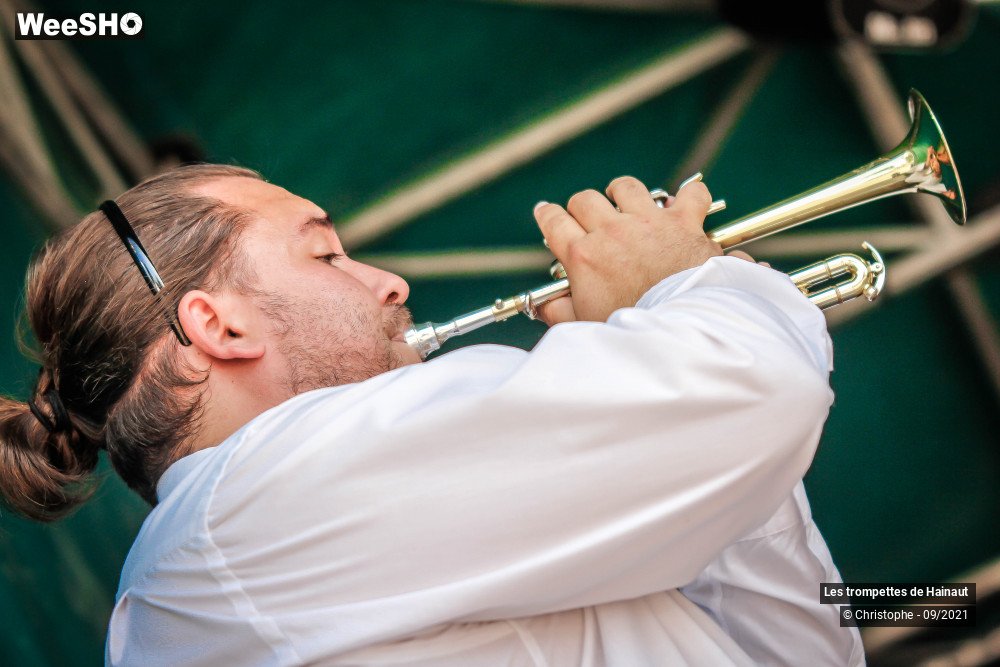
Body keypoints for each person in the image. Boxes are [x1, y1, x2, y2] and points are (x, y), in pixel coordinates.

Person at [0, 164, 864, 665]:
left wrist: (723, 485)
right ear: (216, 325)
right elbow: (760, 389)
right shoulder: (262, 494)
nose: (389, 284)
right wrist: (685, 281)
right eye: (327, 251)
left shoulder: (244, 534)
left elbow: (807, 653)